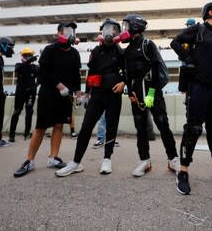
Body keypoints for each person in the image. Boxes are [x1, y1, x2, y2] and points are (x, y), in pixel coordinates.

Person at [170, 1, 212, 195]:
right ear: (211, 12)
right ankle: (183, 171)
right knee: (194, 128)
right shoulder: (198, 29)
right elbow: (175, 42)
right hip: (199, 87)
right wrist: (189, 59)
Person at [56, 18, 125, 177]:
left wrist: (123, 83)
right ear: (102, 32)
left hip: (114, 95)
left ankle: (107, 159)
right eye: (106, 29)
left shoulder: (121, 52)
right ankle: (75, 162)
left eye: (113, 29)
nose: (109, 32)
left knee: (111, 126)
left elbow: (127, 73)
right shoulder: (96, 51)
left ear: (118, 33)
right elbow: (90, 74)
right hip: (97, 95)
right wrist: (87, 93)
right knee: (86, 126)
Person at [14, 22, 81, 177]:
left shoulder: (74, 53)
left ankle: (53, 158)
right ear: (58, 33)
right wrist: (59, 85)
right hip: (48, 94)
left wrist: (78, 92)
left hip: (65, 96)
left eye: (73, 31)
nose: (71, 33)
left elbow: (76, 74)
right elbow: (43, 72)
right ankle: (29, 160)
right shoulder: (50, 50)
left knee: (59, 126)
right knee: (41, 127)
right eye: (67, 30)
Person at [120, 13, 179, 177]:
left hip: (153, 91)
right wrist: (130, 93)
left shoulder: (148, 44)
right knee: (140, 127)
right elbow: (127, 75)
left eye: (126, 26)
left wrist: (152, 94)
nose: (124, 29)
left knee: (162, 124)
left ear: (135, 27)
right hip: (136, 94)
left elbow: (155, 69)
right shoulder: (126, 51)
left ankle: (173, 159)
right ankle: (144, 160)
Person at [8, 47, 39, 142]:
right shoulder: (18, 65)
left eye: (29, 55)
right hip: (20, 92)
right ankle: (11, 134)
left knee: (29, 112)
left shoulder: (35, 67)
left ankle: (26, 133)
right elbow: (17, 70)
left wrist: (34, 86)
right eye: (26, 55)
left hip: (30, 93)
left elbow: (41, 77)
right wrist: (28, 61)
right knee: (17, 111)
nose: (28, 57)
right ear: (22, 56)